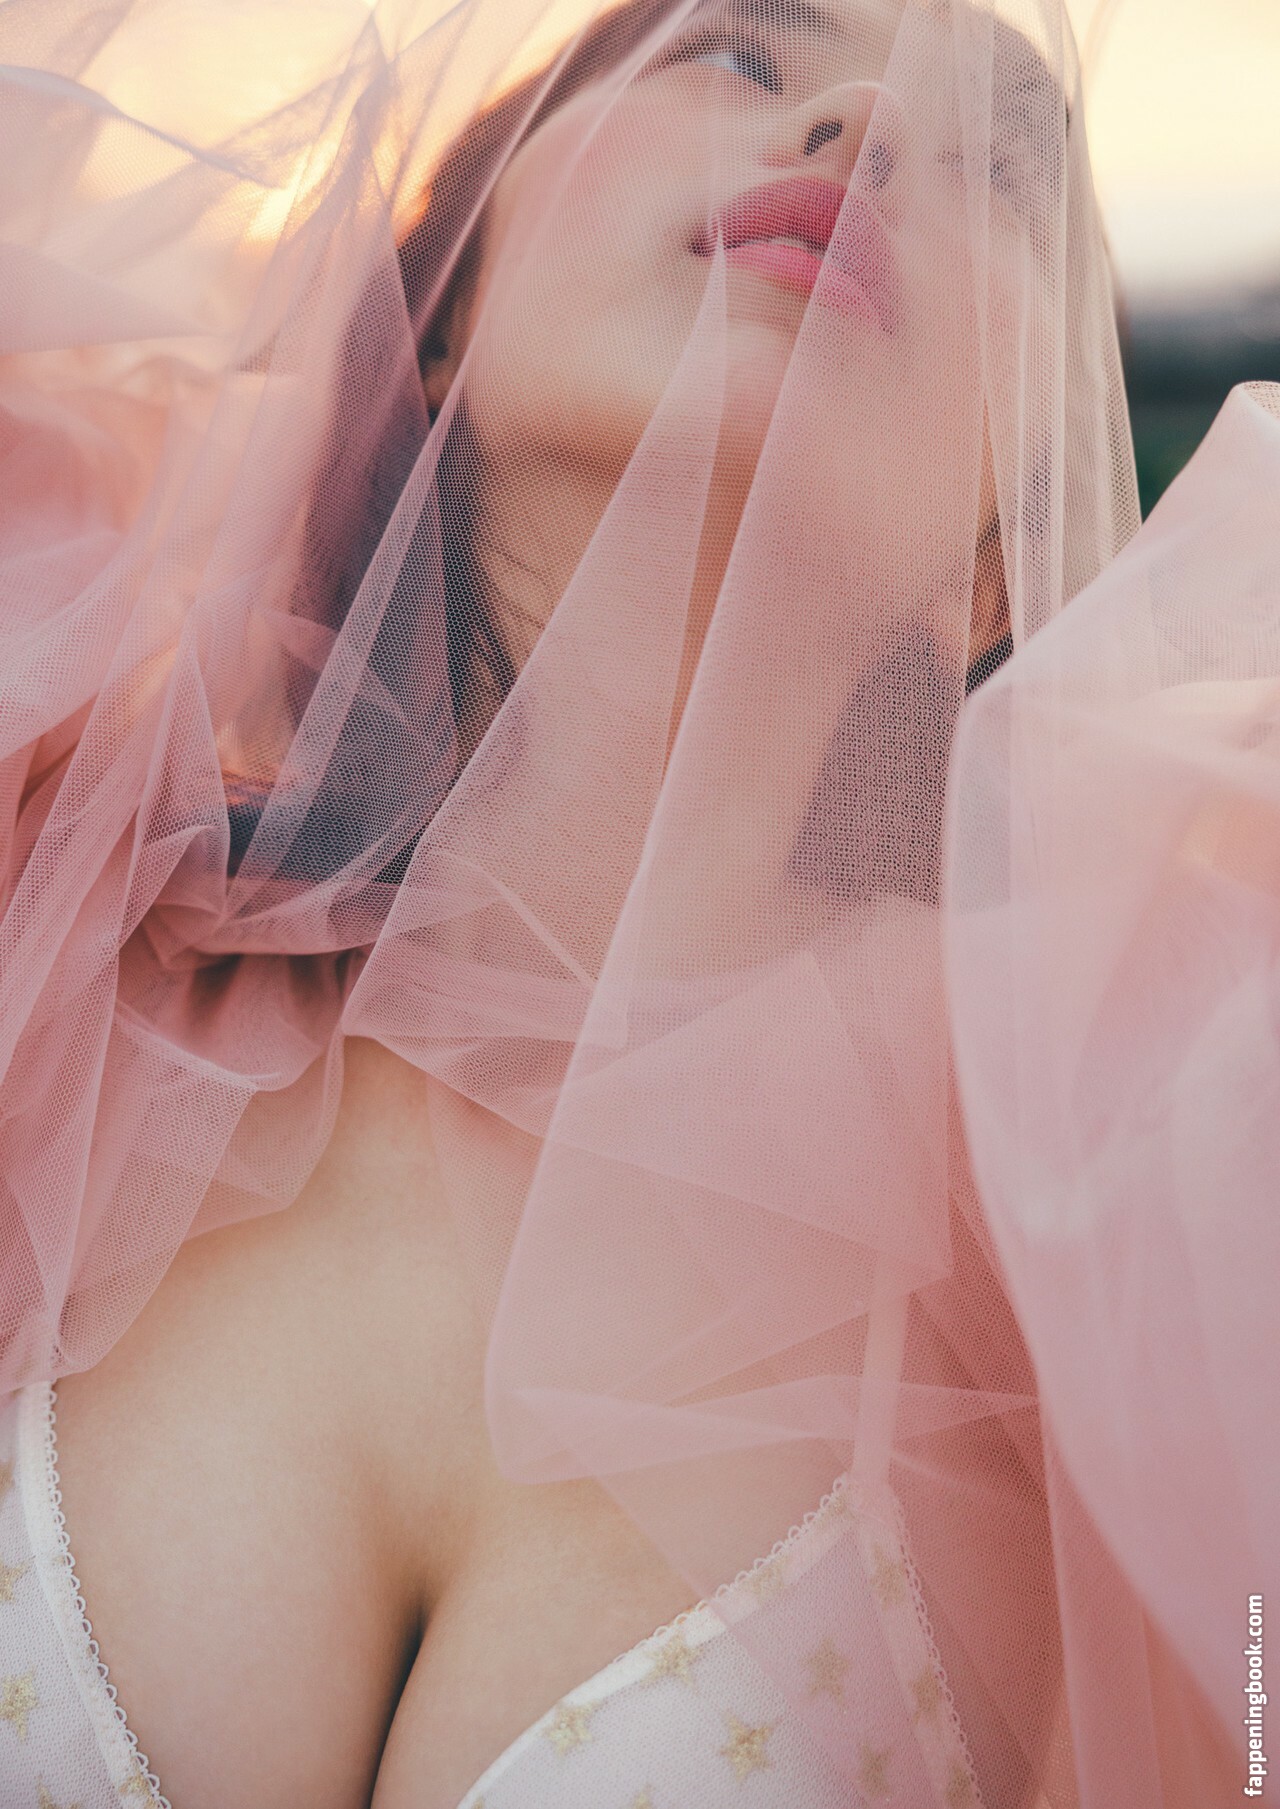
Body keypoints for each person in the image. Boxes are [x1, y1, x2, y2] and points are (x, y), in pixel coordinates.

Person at [0, 0, 1267, 1804]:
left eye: (999, 171)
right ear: (440, 303)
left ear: (1005, 559)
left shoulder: (1131, 1185)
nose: (857, 124)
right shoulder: (40, 927)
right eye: (738, 57)